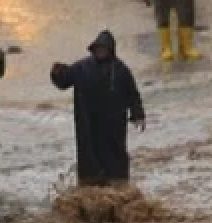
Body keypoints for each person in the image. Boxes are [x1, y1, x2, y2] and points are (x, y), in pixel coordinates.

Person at [50, 31, 146, 185]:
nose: (100, 52)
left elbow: (132, 94)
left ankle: (119, 186)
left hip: (114, 126)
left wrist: (138, 114)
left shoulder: (121, 70)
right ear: (93, 49)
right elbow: (65, 80)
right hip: (89, 125)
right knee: (90, 159)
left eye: (104, 48)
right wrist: (57, 73)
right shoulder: (82, 67)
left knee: (116, 160)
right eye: (98, 49)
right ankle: (89, 187)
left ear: (111, 49)